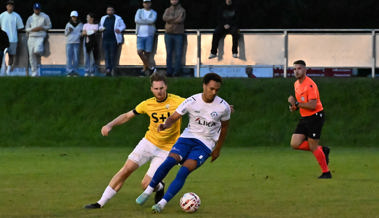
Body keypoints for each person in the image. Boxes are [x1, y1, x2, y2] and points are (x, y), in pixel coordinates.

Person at [84, 72, 186, 209]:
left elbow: (197, 107)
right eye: (156, 89)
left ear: (166, 87)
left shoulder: (179, 101)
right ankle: (100, 203)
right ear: (151, 89)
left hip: (167, 149)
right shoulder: (147, 104)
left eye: (161, 88)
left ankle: (159, 186)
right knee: (126, 170)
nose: (159, 91)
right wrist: (109, 125)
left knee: (146, 184)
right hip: (148, 143)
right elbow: (127, 116)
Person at [136, 73, 231, 213]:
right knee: (169, 161)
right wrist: (164, 125)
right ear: (204, 86)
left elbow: (224, 128)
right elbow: (174, 116)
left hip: (205, 145)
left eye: (217, 90)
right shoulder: (192, 101)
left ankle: (162, 203)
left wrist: (217, 149)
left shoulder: (223, 107)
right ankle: (148, 191)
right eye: (211, 88)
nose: (214, 92)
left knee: (183, 171)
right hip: (187, 138)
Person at [288, 60, 331, 179]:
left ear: (305, 70)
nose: (296, 71)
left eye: (299, 68)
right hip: (305, 117)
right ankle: (322, 150)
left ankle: (326, 172)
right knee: (295, 143)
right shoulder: (296, 84)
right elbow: (301, 104)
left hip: (315, 117)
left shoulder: (310, 85)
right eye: (295, 69)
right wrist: (293, 107)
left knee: (313, 146)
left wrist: (296, 103)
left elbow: (312, 106)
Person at [25, 2, 52, 77]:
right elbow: (26, 28)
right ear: (34, 9)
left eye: (38, 9)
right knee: (31, 55)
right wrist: (33, 29)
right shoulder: (30, 18)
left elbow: (49, 25)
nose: (37, 11)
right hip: (31, 37)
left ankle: (41, 53)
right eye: (36, 9)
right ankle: (34, 72)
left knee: (37, 50)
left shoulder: (45, 16)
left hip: (40, 36)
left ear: (40, 9)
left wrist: (42, 28)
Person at [99, 6, 126, 77]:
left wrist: (119, 29)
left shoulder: (118, 18)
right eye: (108, 10)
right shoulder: (103, 18)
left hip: (114, 39)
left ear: (113, 11)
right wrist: (101, 29)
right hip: (105, 39)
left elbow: (123, 26)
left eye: (111, 10)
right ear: (106, 11)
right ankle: (108, 69)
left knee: (113, 55)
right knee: (106, 55)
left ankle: (113, 69)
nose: (110, 11)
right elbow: (100, 26)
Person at [0, 0, 24, 75]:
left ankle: (8, 70)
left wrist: (14, 29)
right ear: (6, 6)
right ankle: (2, 69)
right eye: (9, 5)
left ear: (13, 7)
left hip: (13, 39)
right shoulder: (2, 15)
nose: (10, 7)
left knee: (11, 55)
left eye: (12, 6)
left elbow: (21, 27)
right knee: (1, 55)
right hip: (3, 39)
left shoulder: (16, 16)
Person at [162, 0, 186, 77]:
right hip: (168, 34)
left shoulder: (182, 10)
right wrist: (175, 19)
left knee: (178, 54)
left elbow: (180, 19)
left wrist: (170, 19)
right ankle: (169, 71)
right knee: (168, 53)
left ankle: (176, 72)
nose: (173, 1)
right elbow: (164, 18)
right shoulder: (167, 9)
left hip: (178, 34)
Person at [135, 0, 157, 76]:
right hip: (140, 35)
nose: (146, 4)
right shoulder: (139, 11)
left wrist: (142, 20)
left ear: (150, 3)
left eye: (148, 2)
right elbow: (136, 20)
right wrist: (147, 21)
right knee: (140, 52)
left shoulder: (153, 12)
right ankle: (151, 67)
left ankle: (145, 70)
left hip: (149, 35)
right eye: (145, 2)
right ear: (143, 3)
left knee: (147, 54)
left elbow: (152, 21)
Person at [64, 11, 83, 77]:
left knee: (76, 58)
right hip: (69, 42)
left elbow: (82, 33)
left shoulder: (80, 24)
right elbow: (65, 34)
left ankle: (75, 71)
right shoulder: (68, 24)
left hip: (77, 42)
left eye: (75, 16)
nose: (74, 18)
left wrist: (79, 35)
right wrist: (69, 30)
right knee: (69, 58)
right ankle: (69, 71)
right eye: (72, 16)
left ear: (77, 17)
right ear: (71, 17)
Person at [82, 13, 99, 77]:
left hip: (93, 42)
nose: (87, 18)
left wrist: (87, 32)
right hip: (86, 41)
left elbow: (94, 32)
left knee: (92, 57)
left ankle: (92, 71)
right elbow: (83, 33)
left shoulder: (96, 25)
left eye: (88, 17)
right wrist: (90, 32)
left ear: (91, 18)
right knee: (86, 57)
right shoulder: (85, 25)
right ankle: (86, 71)